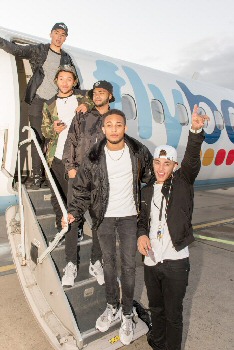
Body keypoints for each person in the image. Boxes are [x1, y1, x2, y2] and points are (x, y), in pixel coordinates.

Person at [62, 109, 153, 345]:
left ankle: (126, 315)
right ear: (103, 129)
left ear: (125, 128)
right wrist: (73, 212)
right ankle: (112, 306)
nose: (114, 129)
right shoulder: (93, 156)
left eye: (118, 125)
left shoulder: (138, 151)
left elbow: (151, 178)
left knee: (129, 268)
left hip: (129, 218)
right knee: (109, 265)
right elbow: (81, 189)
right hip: (104, 218)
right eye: (109, 125)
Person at [137, 105, 209, 350]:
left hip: (176, 260)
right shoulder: (146, 191)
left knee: (173, 313)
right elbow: (141, 221)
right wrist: (141, 234)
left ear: (174, 166)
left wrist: (195, 131)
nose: (160, 168)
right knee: (156, 308)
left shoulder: (183, 183)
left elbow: (191, 159)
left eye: (167, 164)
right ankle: (157, 342)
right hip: (151, 261)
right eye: (158, 162)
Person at [0, 22, 77, 189]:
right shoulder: (39, 50)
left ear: (65, 38)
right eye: (57, 33)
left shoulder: (66, 58)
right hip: (38, 100)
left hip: (54, 104)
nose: (59, 37)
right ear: (51, 34)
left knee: (53, 140)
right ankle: (36, 177)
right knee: (36, 138)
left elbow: (73, 84)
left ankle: (49, 175)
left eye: (62, 35)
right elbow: (17, 50)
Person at [41, 65, 93, 288]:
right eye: (61, 78)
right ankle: (65, 228)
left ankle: (75, 232)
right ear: (56, 81)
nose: (64, 82)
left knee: (74, 202)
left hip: (76, 159)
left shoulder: (83, 97)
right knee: (57, 197)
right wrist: (53, 129)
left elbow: (97, 100)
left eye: (68, 79)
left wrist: (86, 104)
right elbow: (44, 131)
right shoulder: (49, 104)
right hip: (56, 158)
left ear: (74, 82)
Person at [61, 80, 115, 287]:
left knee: (101, 223)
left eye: (102, 92)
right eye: (95, 92)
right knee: (73, 221)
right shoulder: (83, 116)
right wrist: (71, 168)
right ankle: (70, 264)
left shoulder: (114, 119)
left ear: (110, 96)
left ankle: (95, 262)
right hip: (79, 177)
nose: (97, 95)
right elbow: (71, 142)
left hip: (103, 179)